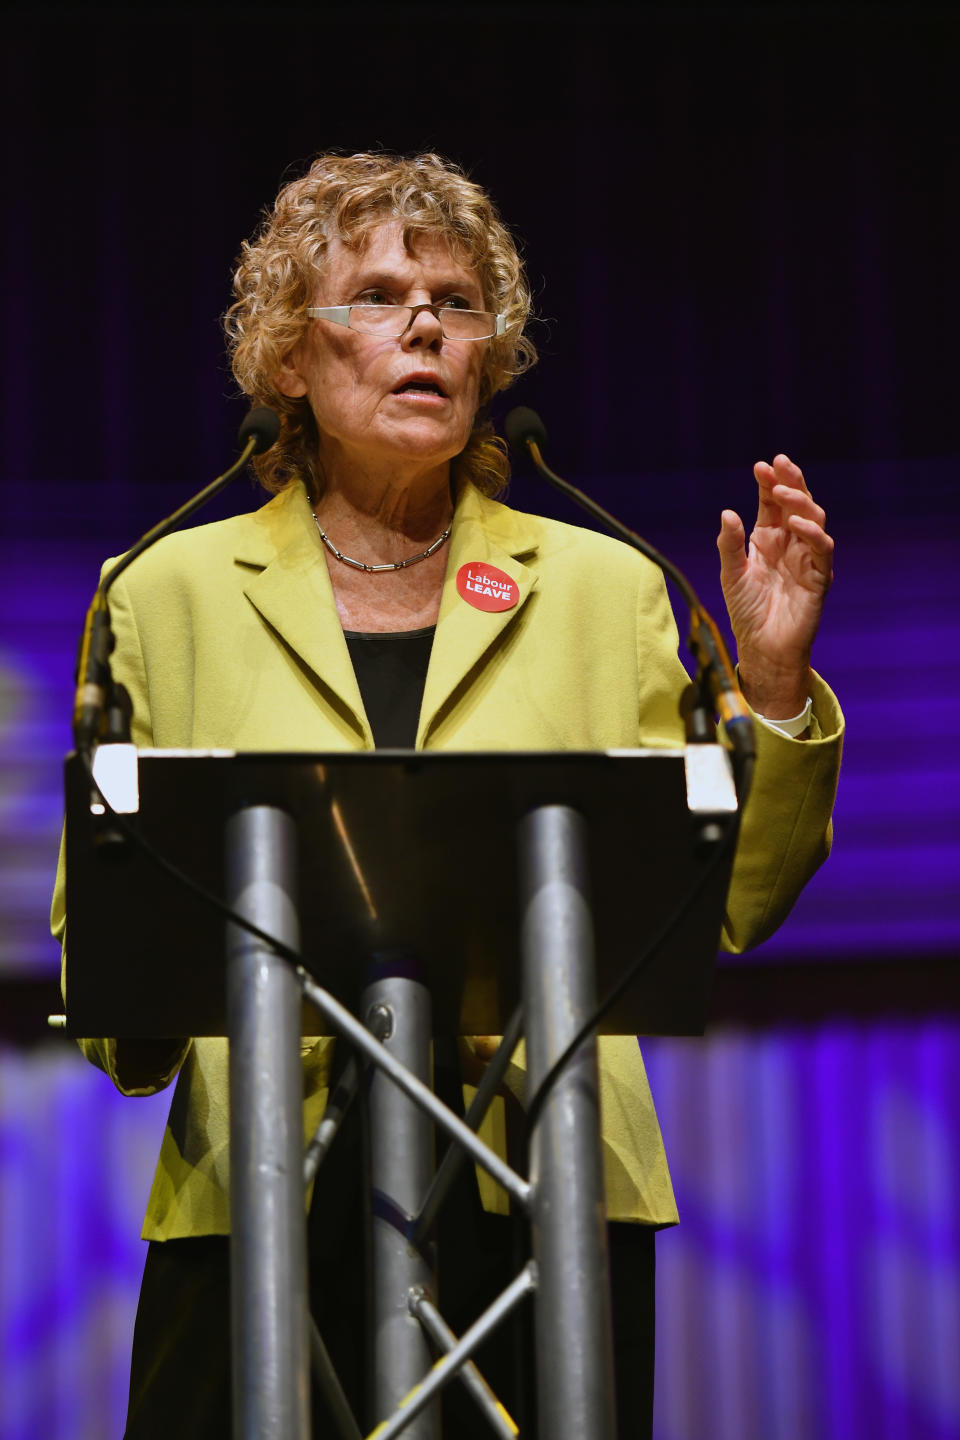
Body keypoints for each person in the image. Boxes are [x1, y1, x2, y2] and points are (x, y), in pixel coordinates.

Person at [52, 151, 841, 1438]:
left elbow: (730, 902)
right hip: (263, 1186)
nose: (425, 323)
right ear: (290, 362)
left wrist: (770, 684)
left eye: (458, 302)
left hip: (542, 1183)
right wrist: (133, 1014)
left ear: (489, 360)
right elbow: (110, 942)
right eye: (375, 294)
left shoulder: (607, 587)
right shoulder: (163, 589)